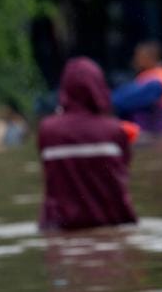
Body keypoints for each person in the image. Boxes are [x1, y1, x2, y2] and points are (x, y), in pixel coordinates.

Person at [38, 57, 138, 230]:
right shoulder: (114, 131)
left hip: (59, 229)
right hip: (112, 226)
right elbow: (124, 169)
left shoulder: (48, 131)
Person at [111, 41, 162, 135]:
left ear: (149, 58)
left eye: (138, 56)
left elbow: (130, 100)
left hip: (154, 129)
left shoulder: (161, 76)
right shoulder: (147, 74)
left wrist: (108, 103)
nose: (135, 59)